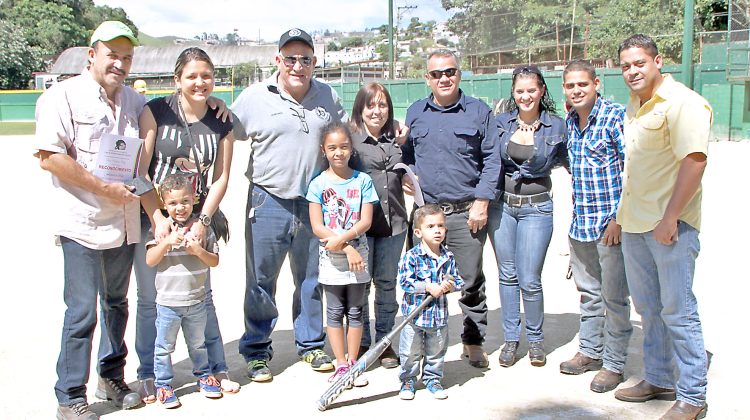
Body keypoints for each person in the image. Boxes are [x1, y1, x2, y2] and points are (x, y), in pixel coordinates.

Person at [34, 21, 144, 420]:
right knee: (82, 310)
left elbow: (176, 111)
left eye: (127, 56)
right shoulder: (62, 96)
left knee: (117, 304)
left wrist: (215, 105)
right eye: (112, 54)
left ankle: (110, 376)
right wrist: (103, 189)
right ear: (92, 54)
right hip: (80, 221)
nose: (120, 62)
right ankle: (70, 395)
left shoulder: (134, 100)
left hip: (123, 222)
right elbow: (50, 156)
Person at [231, 28, 347, 381]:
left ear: (314, 62)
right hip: (268, 198)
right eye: (291, 58)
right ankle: (256, 350)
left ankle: (311, 345)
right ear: (278, 60)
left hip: (314, 202)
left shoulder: (327, 95)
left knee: (312, 278)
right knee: (261, 279)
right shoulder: (254, 97)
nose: (298, 65)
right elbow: (223, 131)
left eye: (306, 59)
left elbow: (345, 136)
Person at [614, 34, 710, 420]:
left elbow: (695, 161)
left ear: (657, 61)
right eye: (625, 66)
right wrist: (621, 218)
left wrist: (671, 217)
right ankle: (657, 377)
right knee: (649, 310)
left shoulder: (682, 102)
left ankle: (692, 395)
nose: (632, 71)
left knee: (679, 311)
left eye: (639, 63)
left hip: (669, 226)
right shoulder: (636, 105)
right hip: (636, 224)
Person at [136, 47, 238, 402]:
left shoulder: (221, 118)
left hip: (197, 218)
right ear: (177, 79)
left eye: (206, 75)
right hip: (156, 214)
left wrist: (203, 221)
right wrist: (157, 217)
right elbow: (141, 170)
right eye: (191, 76)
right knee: (152, 298)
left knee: (202, 298)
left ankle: (213, 367)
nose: (200, 82)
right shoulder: (156, 111)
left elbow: (222, 177)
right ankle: (150, 374)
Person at [401, 50, 500, 369]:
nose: (443, 78)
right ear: (426, 78)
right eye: (436, 74)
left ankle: (472, 340)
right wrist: (408, 173)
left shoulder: (478, 111)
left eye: (450, 72)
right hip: (427, 214)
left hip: (465, 212)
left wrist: (482, 202)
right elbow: (408, 153)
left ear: (460, 73)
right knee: (423, 281)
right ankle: (420, 343)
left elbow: (492, 159)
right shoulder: (416, 112)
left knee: (469, 280)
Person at [559, 60, 632, 393]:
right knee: (588, 295)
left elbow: (632, 168)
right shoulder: (571, 122)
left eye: (583, 85)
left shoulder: (615, 117)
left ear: (596, 83)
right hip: (580, 225)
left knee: (614, 298)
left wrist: (619, 218)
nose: (577, 90)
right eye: (571, 86)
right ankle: (590, 351)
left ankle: (614, 364)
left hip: (609, 226)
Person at [489, 64, 567, 368]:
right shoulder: (499, 123)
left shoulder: (557, 126)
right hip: (503, 207)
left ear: (542, 90)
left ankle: (535, 340)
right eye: (520, 91)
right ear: (513, 92)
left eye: (532, 90)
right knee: (507, 275)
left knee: (530, 278)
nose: (526, 96)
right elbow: (488, 162)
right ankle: (511, 339)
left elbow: (570, 162)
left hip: (537, 208)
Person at [307, 122, 379, 385]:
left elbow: (365, 222)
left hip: (358, 258)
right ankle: (339, 363)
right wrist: (345, 246)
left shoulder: (363, 181)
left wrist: (348, 242)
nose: (339, 153)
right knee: (335, 312)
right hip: (332, 260)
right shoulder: (317, 184)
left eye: (344, 147)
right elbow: (317, 227)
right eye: (332, 148)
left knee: (357, 311)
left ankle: (352, 362)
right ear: (323, 150)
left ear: (351, 148)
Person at [144, 174, 223, 408]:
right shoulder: (161, 230)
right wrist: (167, 242)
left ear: (194, 199)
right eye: (173, 203)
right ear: (164, 205)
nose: (180, 208)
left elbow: (214, 261)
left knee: (198, 343)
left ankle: (203, 375)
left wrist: (198, 251)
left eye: (185, 202)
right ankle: (164, 385)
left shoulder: (202, 230)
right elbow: (150, 259)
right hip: (168, 303)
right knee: (163, 347)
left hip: (196, 301)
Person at [348, 82, 408, 369]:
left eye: (382, 105)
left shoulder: (396, 139)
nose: (377, 111)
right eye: (370, 105)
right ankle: (360, 342)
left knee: (387, 285)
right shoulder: (351, 142)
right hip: (361, 227)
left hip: (394, 225)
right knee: (361, 287)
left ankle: (385, 343)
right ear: (360, 108)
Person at [397, 204, 464, 400]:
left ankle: (433, 378)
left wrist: (449, 285)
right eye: (431, 226)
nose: (437, 230)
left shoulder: (448, 256)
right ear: (418, 232)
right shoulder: (412, 257)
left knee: (437, 350)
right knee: (410, 351)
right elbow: (405, 282)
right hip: (415, 316)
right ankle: (408, 380)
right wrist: (427, 287)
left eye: (441, 226)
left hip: (439, 317)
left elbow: (457, 279)